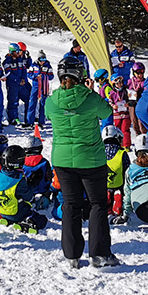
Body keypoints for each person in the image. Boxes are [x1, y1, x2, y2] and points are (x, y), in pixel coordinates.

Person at [45, 55, 118, 269]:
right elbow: (107, 111)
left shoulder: (52, 101)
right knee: (97, 205)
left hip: (62, 159)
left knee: (70, 205)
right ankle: (99, 254)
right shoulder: (90, 97)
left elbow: (50, 115)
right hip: (91, 160)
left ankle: (72, 255)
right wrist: (90, 91)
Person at [0, 144, 49, 233]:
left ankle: (9, 220)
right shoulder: (18, 180)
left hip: (2, 210)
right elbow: (27, 196)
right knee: (42, 220)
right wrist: (33, 183)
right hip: (16, 212)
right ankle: (27, 223)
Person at [26, 52, 54, 128]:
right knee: (32, 103)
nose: (43, 61)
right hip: (35, 86)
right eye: (41, 59)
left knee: (43, 104)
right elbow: (29, 74)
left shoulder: (48, 66)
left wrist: (44, 76)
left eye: (44, 59)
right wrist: (35, 77)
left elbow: (51, 76)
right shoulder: (34, 65)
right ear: (38, 59)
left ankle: (41, 122)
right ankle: (30, 122)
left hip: (44, 87)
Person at [3, 44, 28, 126]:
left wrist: (24, 79)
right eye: (16, 51)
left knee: (28, 99)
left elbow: (24, 70)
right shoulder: (7, 62)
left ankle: (28, 118)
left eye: (19, 51)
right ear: (11, 52)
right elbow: (9, 74)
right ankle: (13, 118)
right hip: (12, 84)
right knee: (13, 102)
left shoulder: (20, 60)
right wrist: (18, 81)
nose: (18, 53)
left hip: (21, 85)